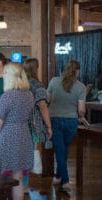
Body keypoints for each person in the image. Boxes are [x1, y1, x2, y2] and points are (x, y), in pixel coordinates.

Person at [0, 62, 34, 200]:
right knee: (18, 177)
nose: (3, 76)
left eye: (5, 73)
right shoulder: (29, 95)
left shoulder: (7, 96)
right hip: (24, 135)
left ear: (10, 77)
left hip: (8, 135)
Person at [47, 60, 89, 191]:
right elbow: (81, 110)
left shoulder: (54, 81)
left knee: (60, 150)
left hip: (54, 119)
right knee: (63, 149)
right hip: (71, 121)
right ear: (78, 71)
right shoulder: (81, 86)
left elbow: (47, 100)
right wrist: (83, 119)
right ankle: (64, 181)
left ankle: (58, 176)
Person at [23, 58, 53, 192]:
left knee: (22, 152)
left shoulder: (21, 85)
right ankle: (26, 184)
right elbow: (42, 106)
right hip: (34, 124)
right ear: (36, 69)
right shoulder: (37, 86)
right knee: (31, 152)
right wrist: (48, 126)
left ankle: (23, 182)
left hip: (21, 123)